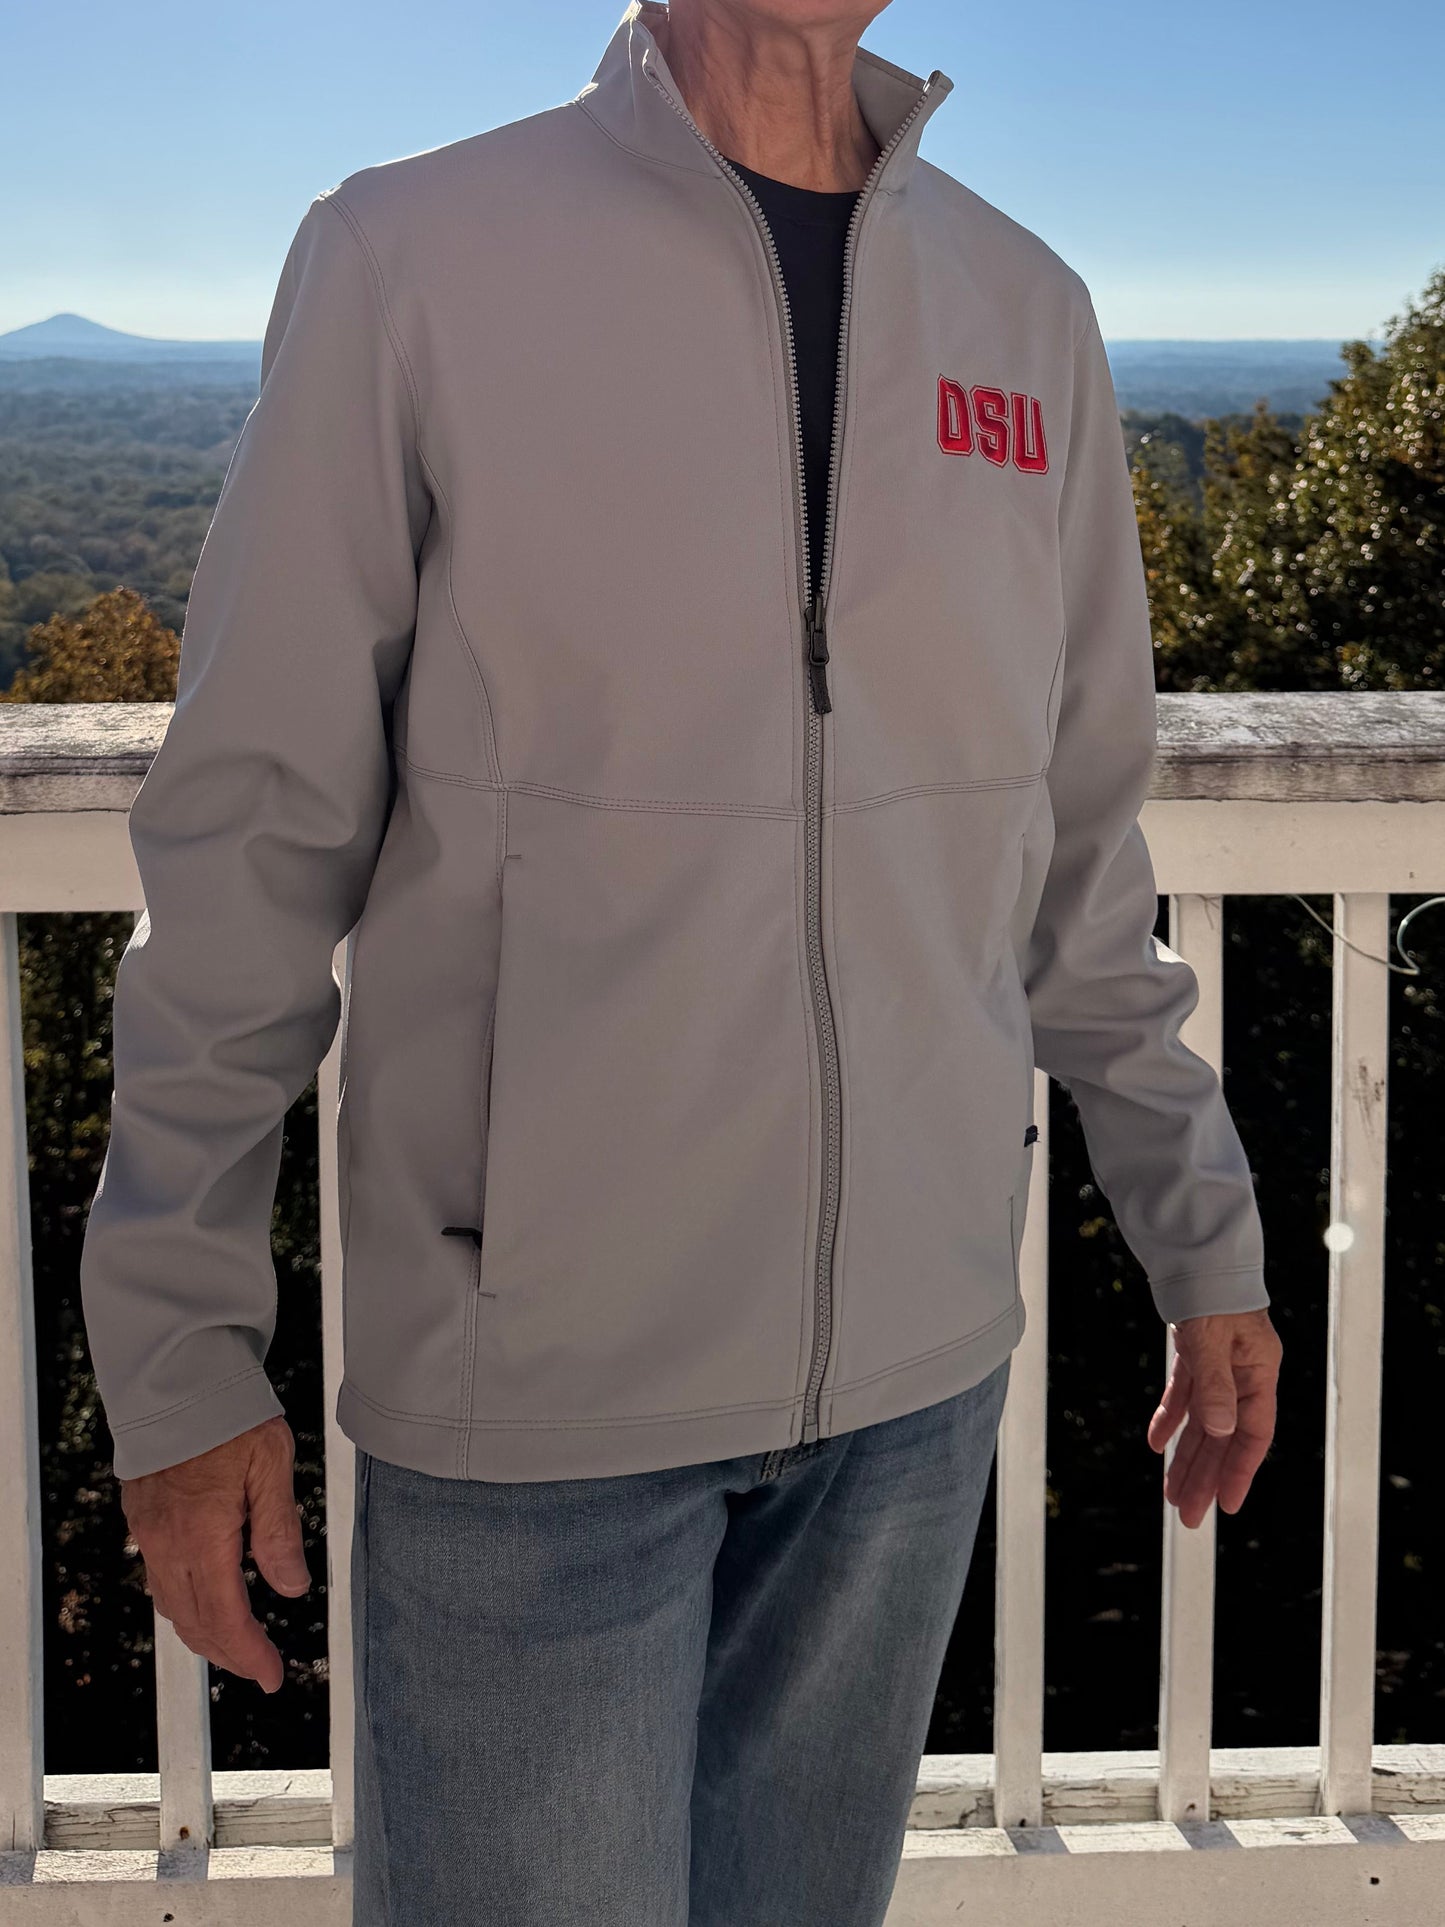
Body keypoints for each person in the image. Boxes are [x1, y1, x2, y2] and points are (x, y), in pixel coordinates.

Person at [79, 1, 1284, 1920]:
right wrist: (178, 1355)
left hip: (908, 1390)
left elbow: (1069, 849)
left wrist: (1200, 1229)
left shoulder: (1025, 310)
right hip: (537, 1396)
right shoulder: (411, 256)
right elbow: (251, 845)